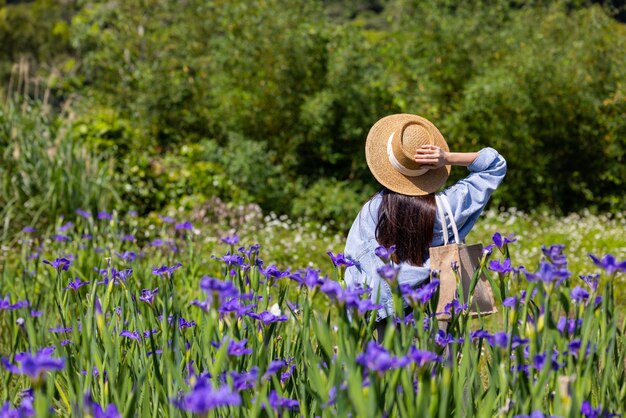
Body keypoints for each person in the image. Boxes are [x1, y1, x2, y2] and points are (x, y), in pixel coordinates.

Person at [343, 114, 506, 337]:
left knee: (392, 370)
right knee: (437, 367)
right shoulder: (448, 207)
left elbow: (355, 267)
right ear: (430, 167)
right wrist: (447, 158)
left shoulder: (373, 211)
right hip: (437, 307)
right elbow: (495, 165)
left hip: (386, 312)